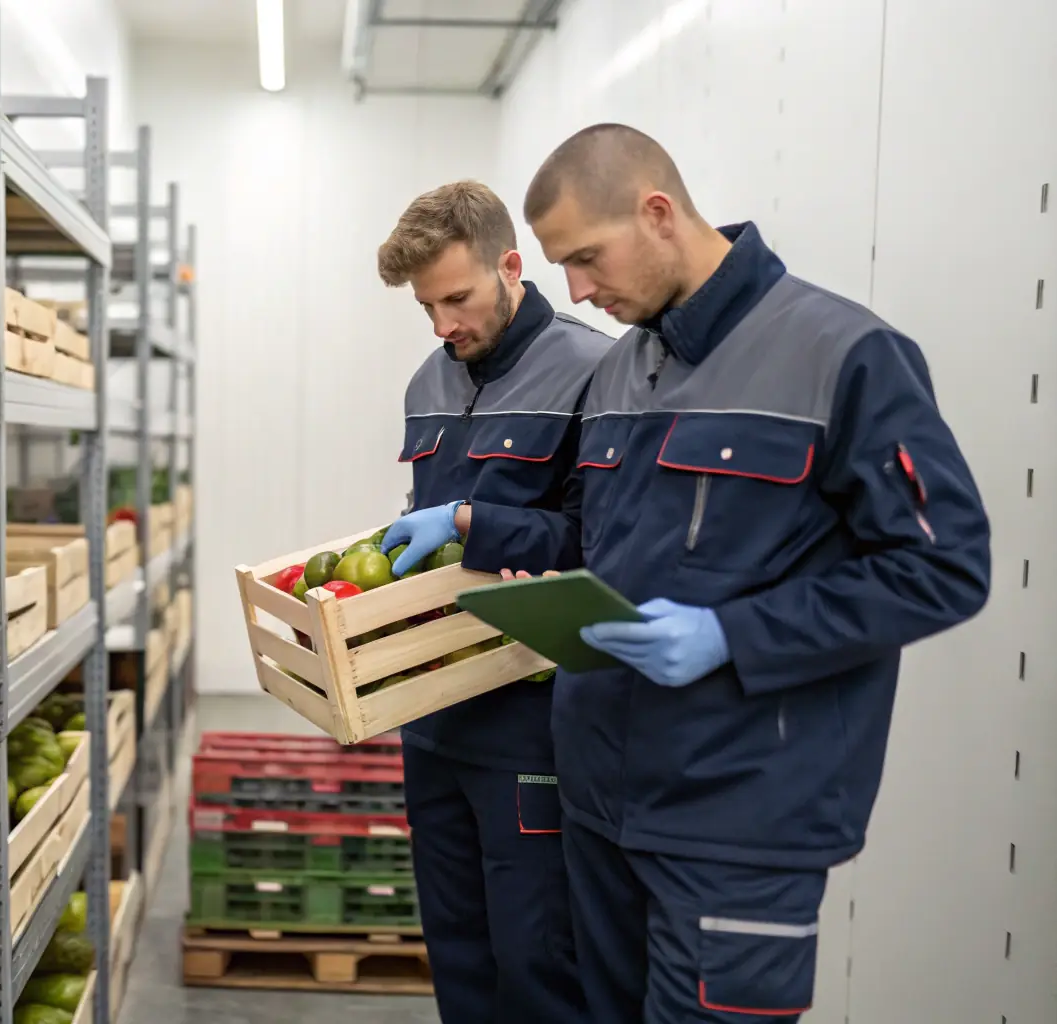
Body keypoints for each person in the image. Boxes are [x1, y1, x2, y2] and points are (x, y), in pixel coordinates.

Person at [391, 125, 992, 1021]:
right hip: (597, 799)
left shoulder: (843, 353)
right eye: (563, 269)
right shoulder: (627, 368)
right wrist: (499, 546)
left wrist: (732, 636)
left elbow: (943, 565)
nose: (579, 291)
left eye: (587, 259)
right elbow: (585, 543)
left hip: (737, 812)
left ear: (658, 213)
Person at [375, 181, 610, 1024]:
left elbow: (600, 542)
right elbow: (425, 536)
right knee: (459, 954)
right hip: (432, 716)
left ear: (510, 267)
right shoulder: (426, 381)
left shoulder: (596, 371)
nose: (444, 326)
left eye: (458, 298)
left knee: (535, 957)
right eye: (427, 306)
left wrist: (477, 523)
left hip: (527, 717)